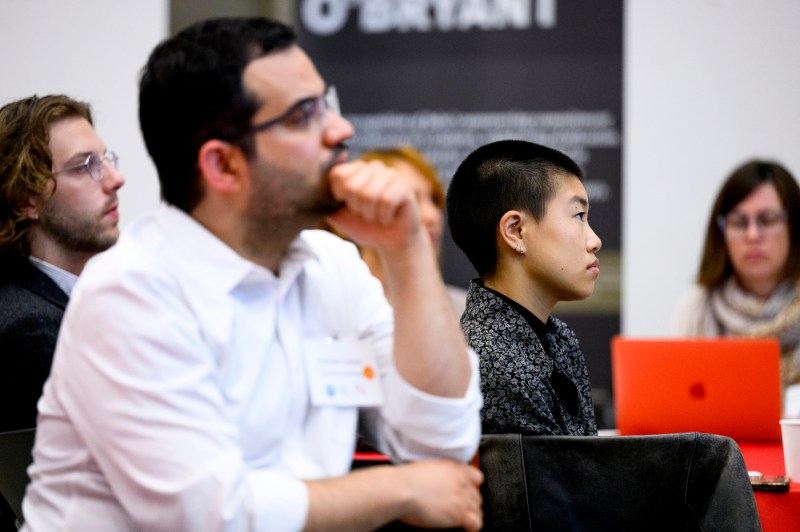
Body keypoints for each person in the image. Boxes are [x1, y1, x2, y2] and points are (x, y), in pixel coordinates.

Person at [21, 17, 483, 532]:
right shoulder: (132, 290)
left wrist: (407, 250)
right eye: (304, 115)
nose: (341, 129)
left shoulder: (331, 264)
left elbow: (442, 439)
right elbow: (213, 515)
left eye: (325, 102)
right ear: (223, 165)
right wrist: (399, 490)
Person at [447, 139, 600, 436]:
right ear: (516, 231)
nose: (594, 240)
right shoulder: (488, 360)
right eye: (578, 216)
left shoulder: (561, 339)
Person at [0, 94, 125, 432]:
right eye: (86, 166)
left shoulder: (72, 298)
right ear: (28, 198)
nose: (115, 179)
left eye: (105, 159)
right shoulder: (32, 331)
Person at [673, 160, 800, 413]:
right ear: (721, 232)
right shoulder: (696, 309)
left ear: (793, 225)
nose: (753, 235)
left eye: (767, 219)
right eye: (740, 222)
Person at [346, 145, 467, 315]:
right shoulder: (329, 304)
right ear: (360, 210)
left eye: (433, 200)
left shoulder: (469, 313)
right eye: (410, 200)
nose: (433, 216)